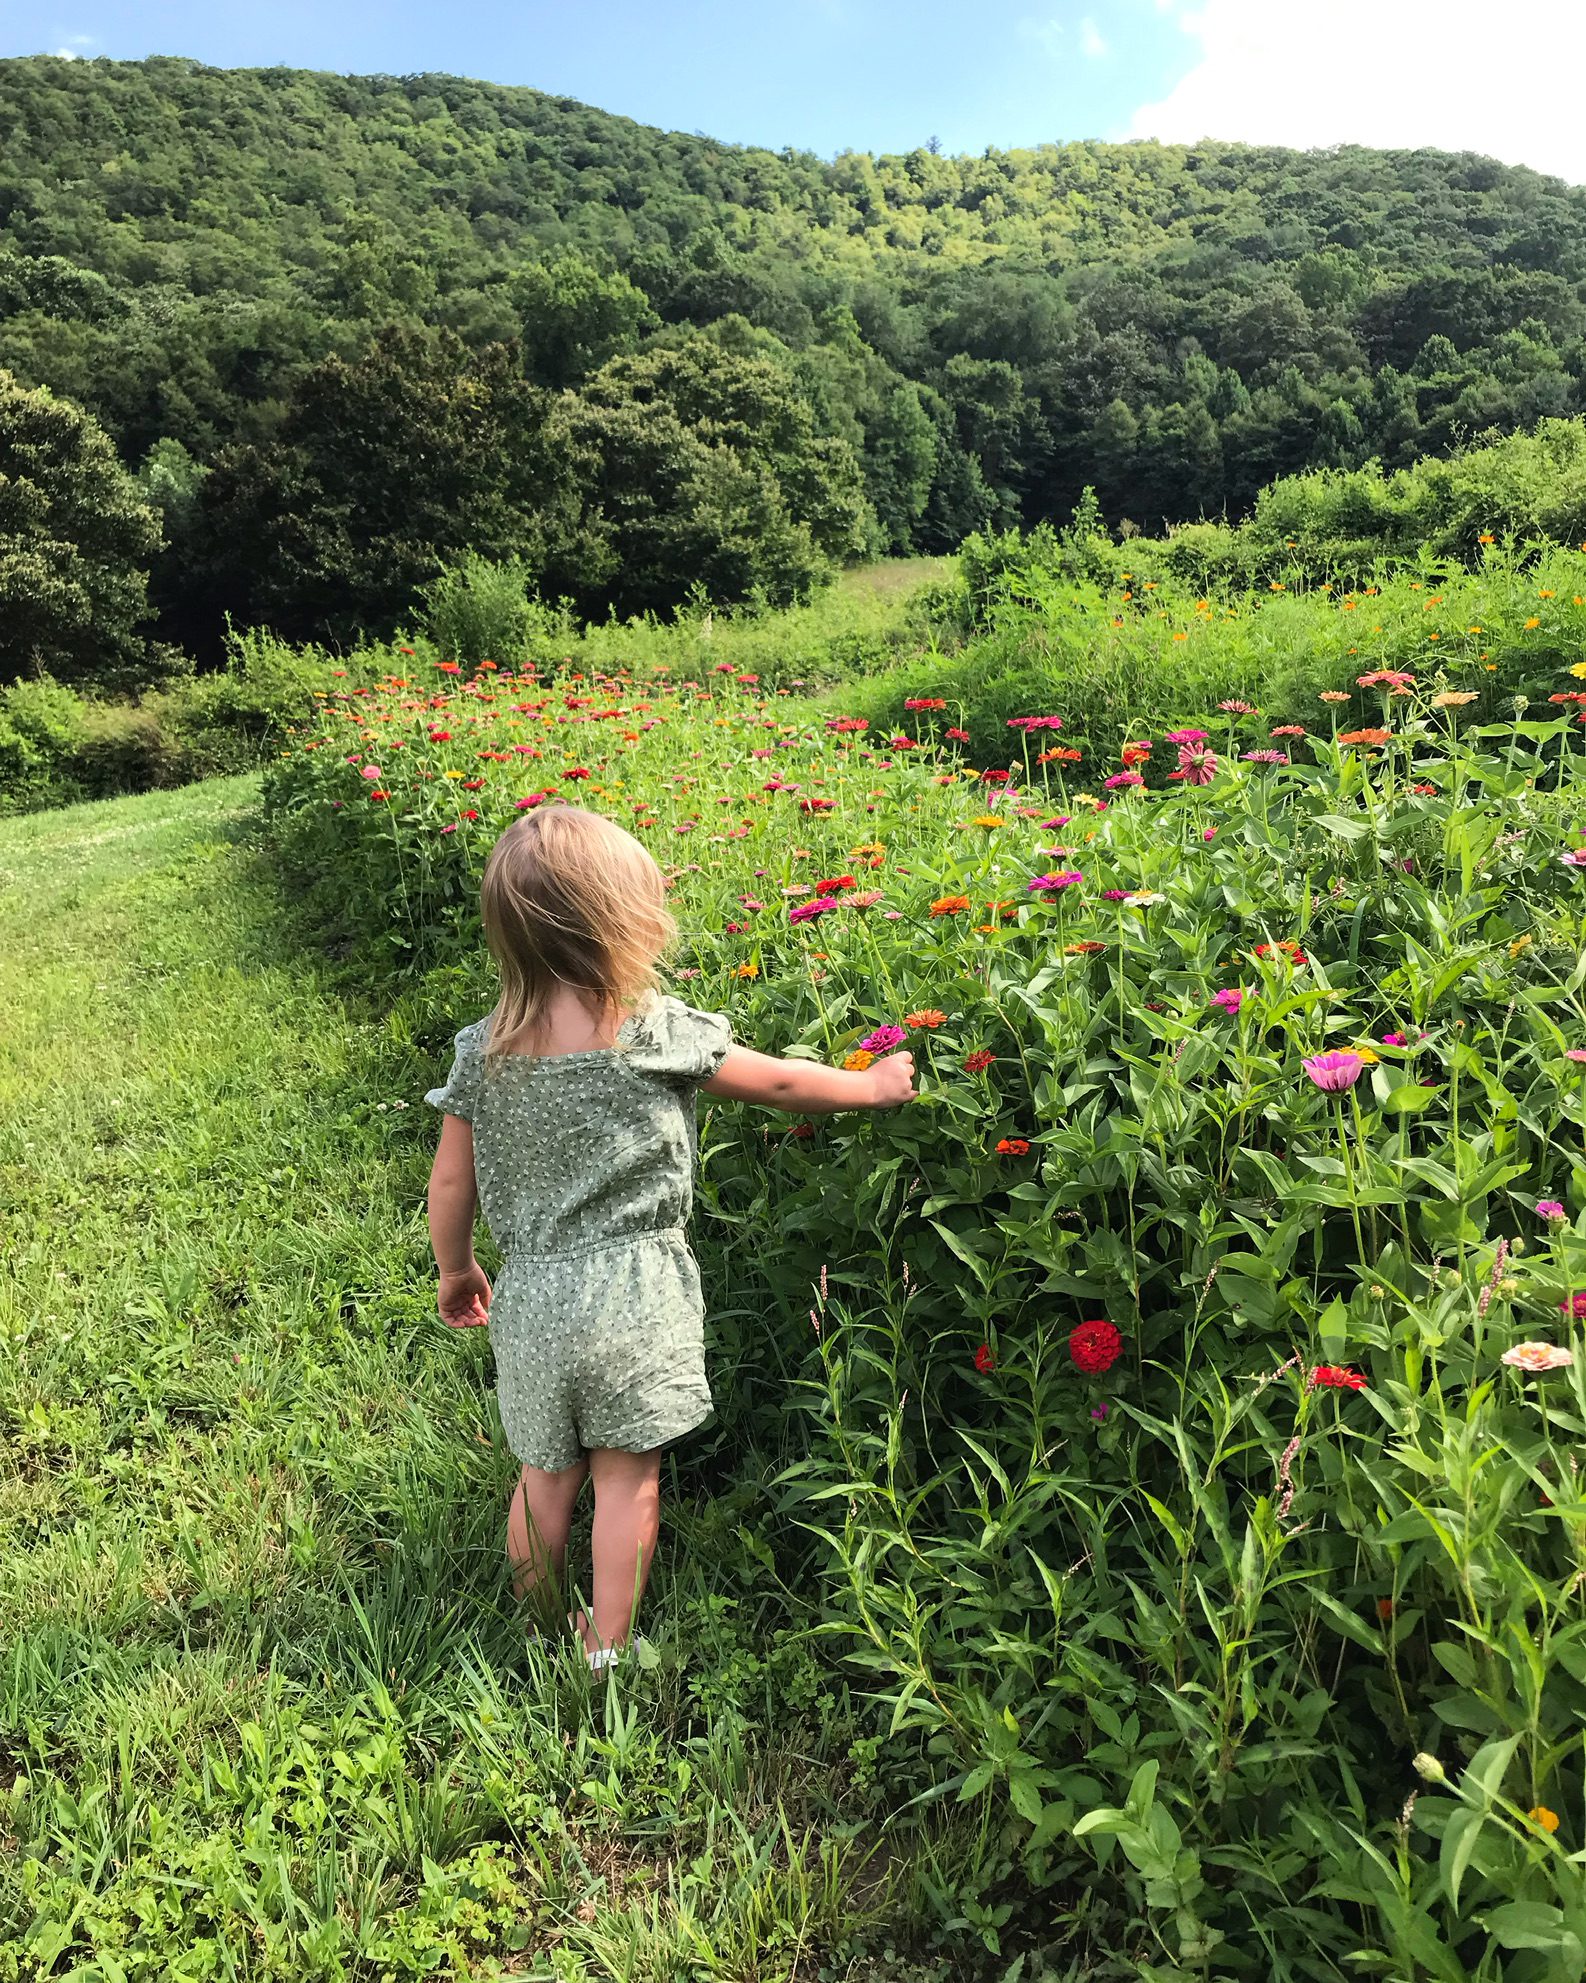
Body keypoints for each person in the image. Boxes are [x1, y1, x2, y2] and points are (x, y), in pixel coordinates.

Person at [425, 805, 915, 1670]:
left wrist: (457, 1268)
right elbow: (785, 1081)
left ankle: (536, 1623)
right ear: (623, 922)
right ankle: (606, 1647)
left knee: (543, 1476)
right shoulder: (653, 1031)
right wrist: (871, 1087)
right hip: (636, 1292)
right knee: (626, 1478)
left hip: (534, 1295)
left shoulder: (483, 1049)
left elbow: (451, 1181)